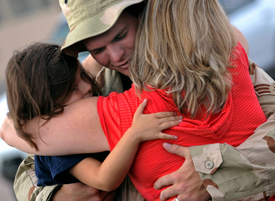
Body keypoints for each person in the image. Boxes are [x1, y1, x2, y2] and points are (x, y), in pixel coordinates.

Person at [2, 0, 275, 200]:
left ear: (142, 16)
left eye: (121, 35)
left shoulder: (220, 63)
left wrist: (213, 173)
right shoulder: (93, 92)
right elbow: (27, 164)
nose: (117, 55)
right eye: (97, 49)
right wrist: (54, 196)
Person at [5, 42, 182, 200]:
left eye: (82, 75)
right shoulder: (58, 147)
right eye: (74, 88)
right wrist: (134, 134)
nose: (88, 86)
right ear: (48, 104)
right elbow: (104, 180)